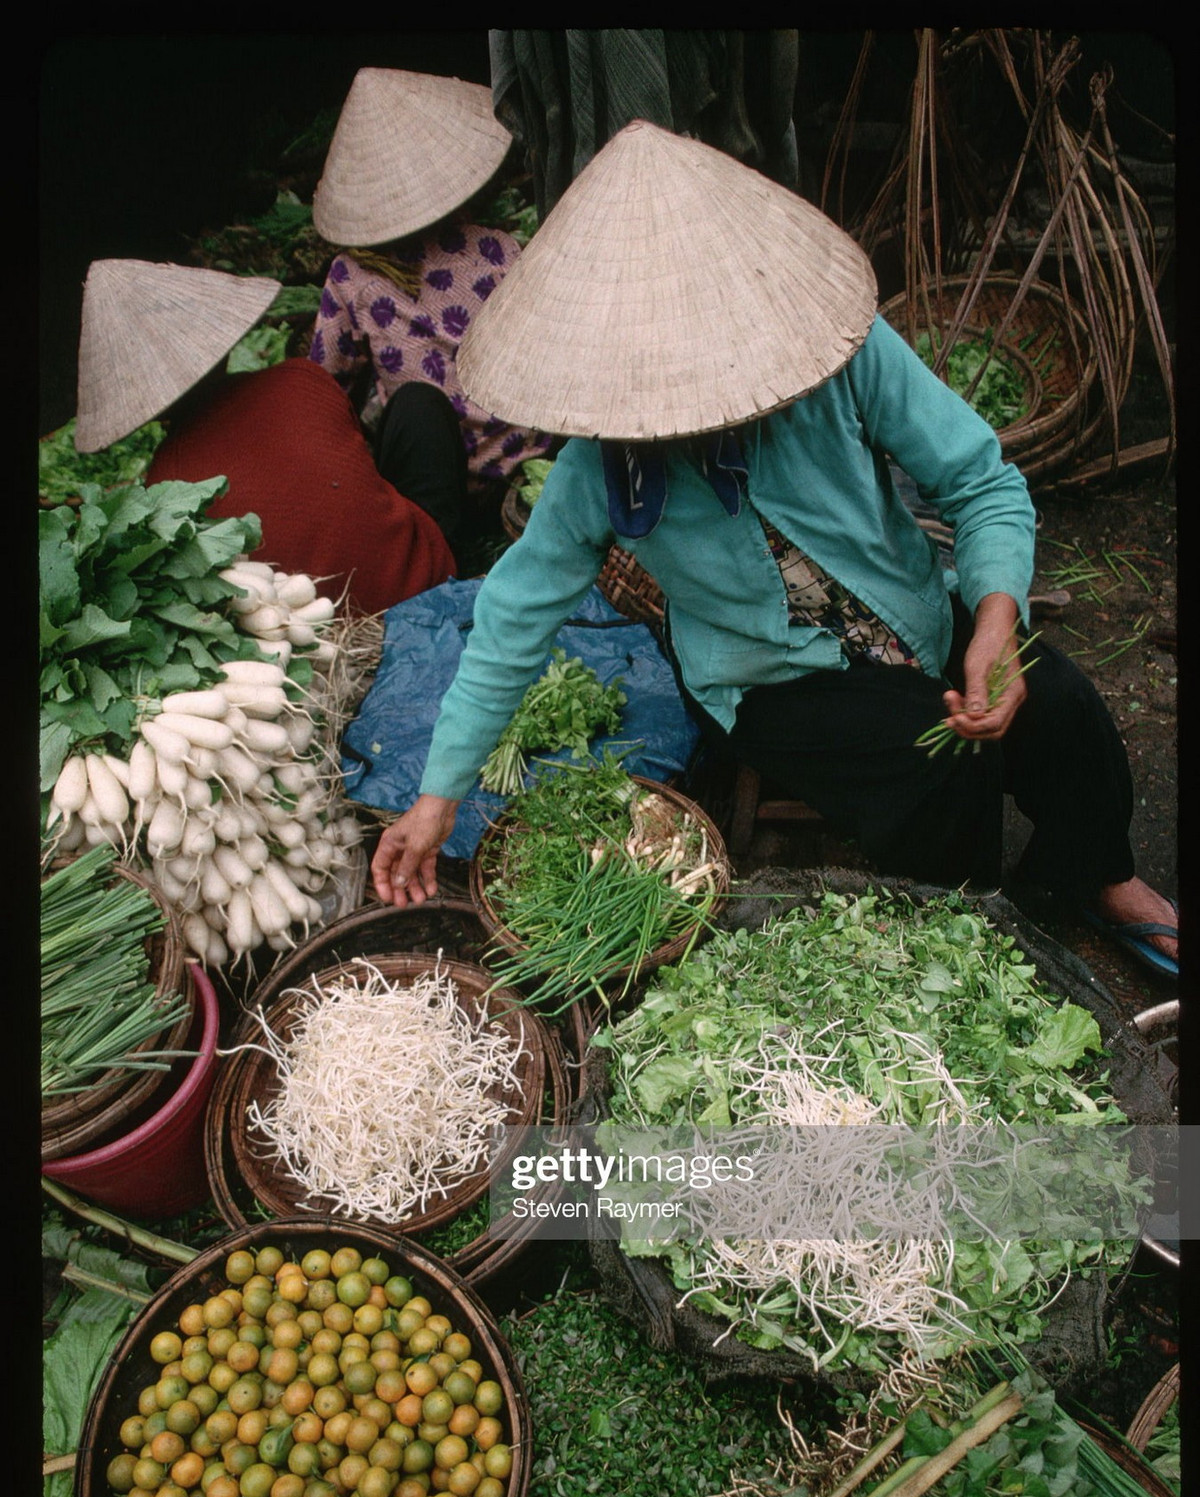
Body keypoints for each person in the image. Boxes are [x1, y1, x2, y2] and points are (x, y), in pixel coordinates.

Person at [370, 121, 1177, 981]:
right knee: (938, 769)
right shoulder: (596, 472)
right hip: (770, 677)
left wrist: (992, 621)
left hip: (907, 606)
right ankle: (979, 932)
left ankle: (1096, 875)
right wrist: (436, 797)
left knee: (1062, 704)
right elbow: (508, 626)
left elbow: (981, 482)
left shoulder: (843, 355)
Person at [74, 259, 461, 616]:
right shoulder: (300, 379)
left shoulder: (164, 487)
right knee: (418, 403)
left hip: (318, 634)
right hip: (424, 584)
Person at [308, 66, 554, 519]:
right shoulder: (499, 248)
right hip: (530, 463)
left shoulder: (350, 275)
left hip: (440, 480)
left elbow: (326, 388)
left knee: (410, 408)